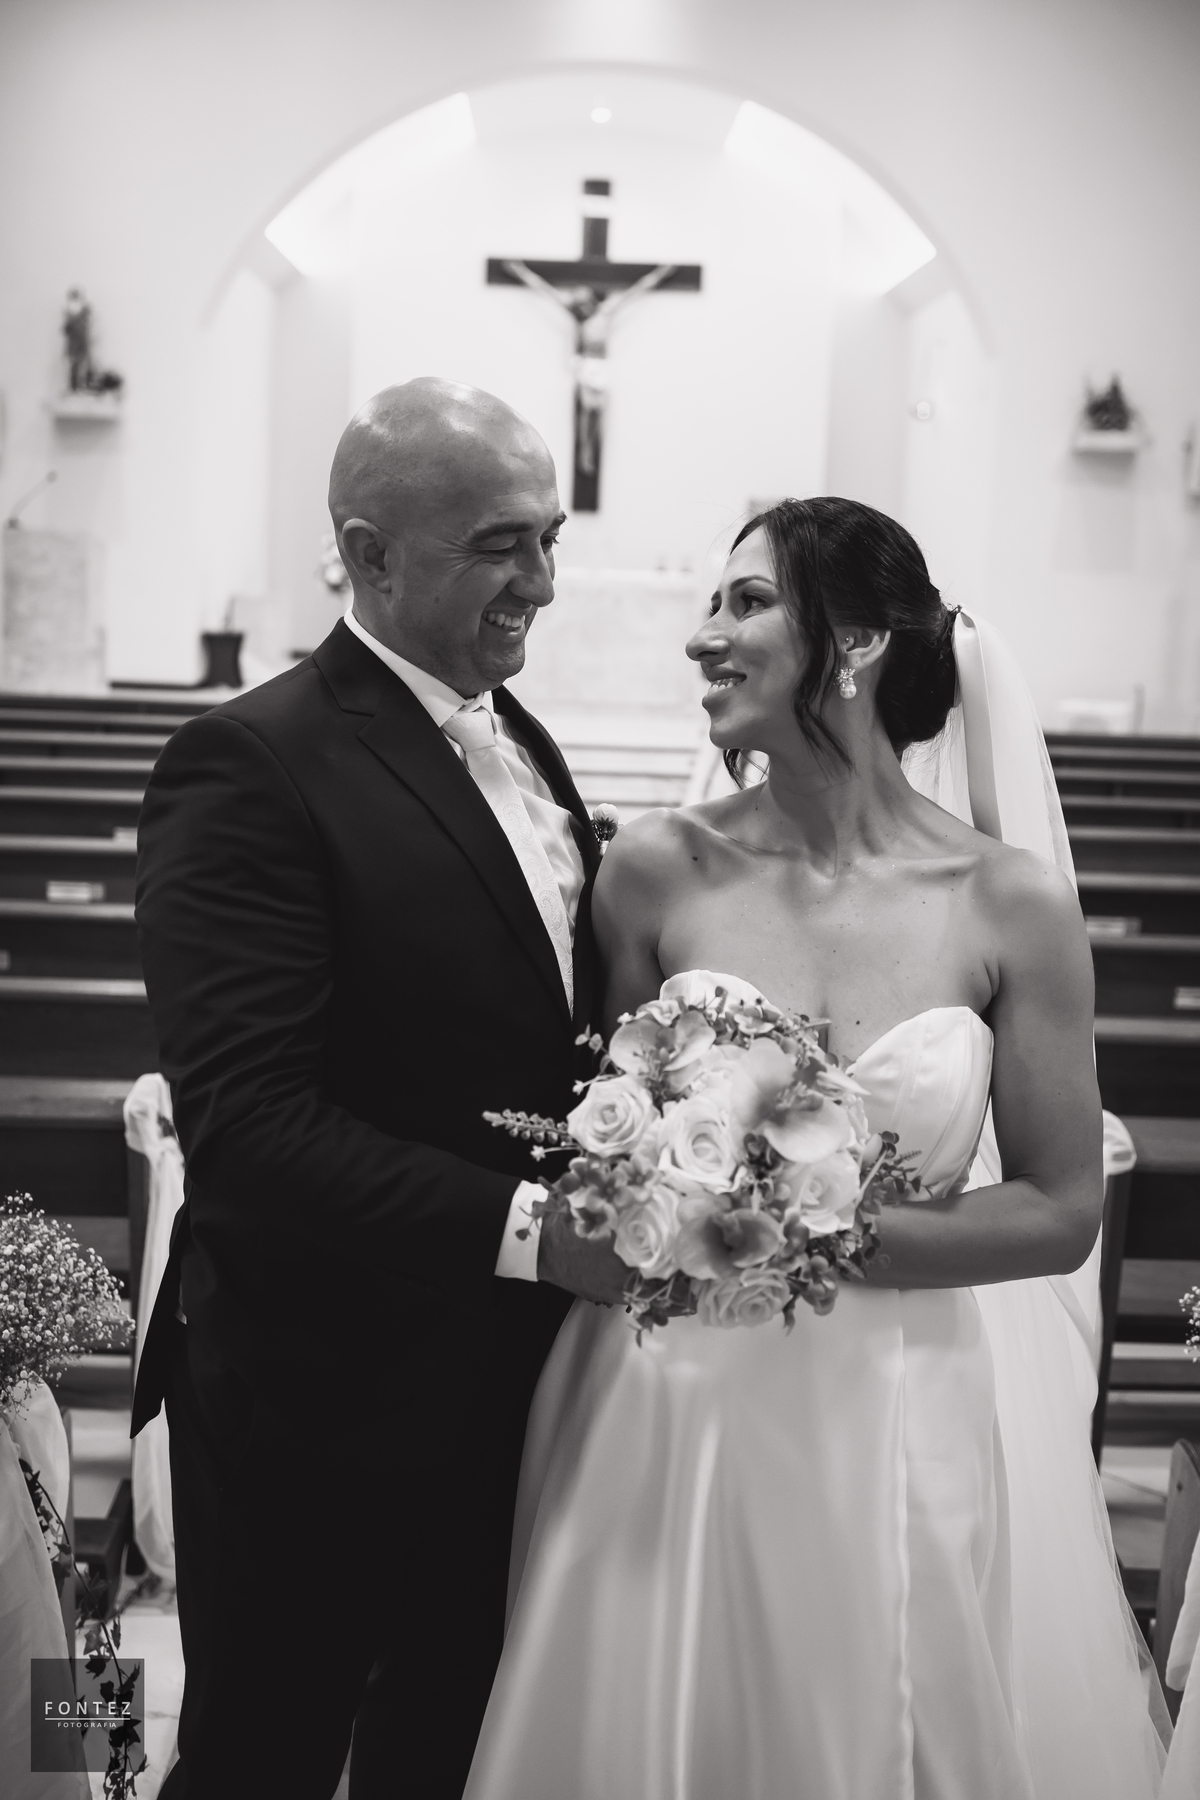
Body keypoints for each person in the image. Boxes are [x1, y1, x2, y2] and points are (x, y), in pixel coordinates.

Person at [463, 497, 1170, 1799]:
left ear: (854, 644)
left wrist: (807, 1230)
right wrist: (648, 1191)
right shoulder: (653, 871)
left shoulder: (1008, 901)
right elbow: (595, 1138)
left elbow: (1063, 1206)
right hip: (669, 1395)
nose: (703, 637)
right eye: (711, 604)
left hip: (901, 1404)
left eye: (746, 603)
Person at [132, 377, 625, 1799]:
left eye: (551, 538)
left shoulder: (514, 734)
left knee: (445, 1749)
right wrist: (539, 1233)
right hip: (315, 1390)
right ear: (370, 554)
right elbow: (250, 1128)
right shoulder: (250, 761)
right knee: (262, 1758)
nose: (542, 582)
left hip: (497, 1376)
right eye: (499, 545)